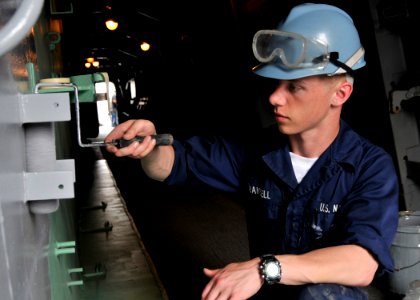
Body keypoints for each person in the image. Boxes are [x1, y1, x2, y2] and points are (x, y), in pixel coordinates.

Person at [105, 3, 399, 299]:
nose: (274, 97)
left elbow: (361, 264)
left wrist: (264, 268)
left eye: (294, 87)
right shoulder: (255, 151)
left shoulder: (368, 166)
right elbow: (172, 164)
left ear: (340, 93)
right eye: (275, 84)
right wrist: (150, 147)